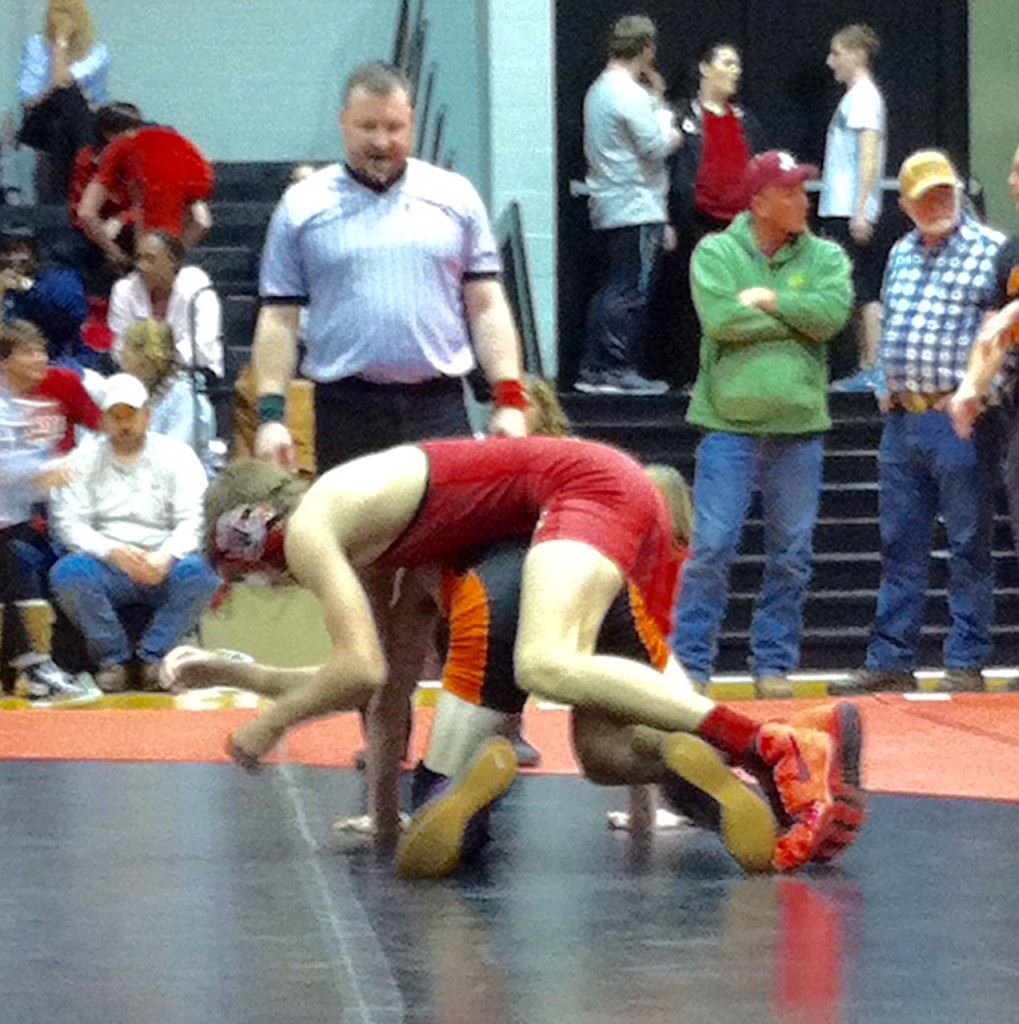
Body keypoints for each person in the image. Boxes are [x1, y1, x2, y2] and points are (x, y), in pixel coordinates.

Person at [181, 435, 862, 873]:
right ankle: (776, 790)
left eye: (245, 574)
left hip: (578, 503)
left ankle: (773, 744)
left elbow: (364, 674)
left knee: (539, 664)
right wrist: (380, 820)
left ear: (249, 531)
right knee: (604, 748)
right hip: (585, 520)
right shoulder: (375, 537)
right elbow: (376, 684)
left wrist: (269, 726)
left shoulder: (314, 527)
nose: (267, 585)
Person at [251, 60, 527, 833]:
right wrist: (272, 413)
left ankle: (477, 765)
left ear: (410, 124)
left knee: (461, 597)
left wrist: (506, 398)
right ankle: (380, 810)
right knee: (369, 618)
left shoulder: (453, 196)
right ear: (344, 124)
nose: (382, 141)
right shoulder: (303, 208)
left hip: (439, 408)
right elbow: (279, 320)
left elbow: (485, 302)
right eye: (368, 128)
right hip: (350, 413)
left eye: (395, 128)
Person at [671, 151, 853, 699]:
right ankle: (691, 666)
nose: (803, 200)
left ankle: (772, 665)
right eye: (791, 191)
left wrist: (772, 298)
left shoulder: (825, 256)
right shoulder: (716, 251)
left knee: (792, 556)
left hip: (799, 430)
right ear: (758, 202)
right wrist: (794, 319)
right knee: (711, 549)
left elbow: (831, 317)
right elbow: (721, 320)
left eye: (803, 190)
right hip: (728, 427)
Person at [837, 150, 1004, 695]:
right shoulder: (900, 252)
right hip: (902, 420)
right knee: (899, 544)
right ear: (906, 205)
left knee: (967, 544)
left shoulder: (991, 251)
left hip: (959, 420)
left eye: (946, 191)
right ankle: (891, 656)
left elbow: (1002, 339)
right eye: (926, 195)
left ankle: (965, 659)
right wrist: (884, 380)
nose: (939, 202)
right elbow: (892, 317)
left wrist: (979, 395)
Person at [48, 373, 220, 691]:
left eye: (132, 414)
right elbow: (69, 523)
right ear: (103, 419)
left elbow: (195, 518)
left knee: (205, 572)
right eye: (116, 416)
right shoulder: (82, 460)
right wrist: (110, 552)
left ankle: (152, 657)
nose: (124, 424)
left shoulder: (178, 456)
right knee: (67, 574)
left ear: (147, 415)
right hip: (107, 564)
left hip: (164, 559)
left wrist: (166, 556)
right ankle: (113, 659)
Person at [573, 15, 677, 395]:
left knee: (611, 288)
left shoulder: (597, 90)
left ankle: (596, 367)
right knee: (629, 290)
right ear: (647, 49)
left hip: (608, 204)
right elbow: (653, 147)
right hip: (635, 205)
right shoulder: (628, 93)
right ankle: (613, 368)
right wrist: (672, 133)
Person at [0, 320, 97, 703]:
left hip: (11, 522)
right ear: (4, 361)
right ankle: (36, 669)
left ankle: (34, 669)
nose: (40, 358)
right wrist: (46, 470)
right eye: (28, 351)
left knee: (16, 586)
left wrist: (56, 468)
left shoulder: (18, 408)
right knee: (17, 580)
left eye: (41, 350)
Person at [660, 41, 767, 387]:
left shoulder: (747, 121)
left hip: (742, 229)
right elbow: (663, 170)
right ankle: (695, 375)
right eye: (727, 63)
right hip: (697, 225)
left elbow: (762, 170)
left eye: (738, 64)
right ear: (705, 68)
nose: (735, 71)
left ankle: (740, 372)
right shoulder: (681, 117)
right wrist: (666, 218)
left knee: (742, 300)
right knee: (697, 302)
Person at [950, 142, 1019, 558]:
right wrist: (970, 388)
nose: (1012, 182)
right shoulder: (1010, 252)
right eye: (1012, 172)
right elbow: (992, 331)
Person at [818, 24, 888, 393]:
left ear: (857, 53)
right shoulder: (855, 98)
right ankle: (865, 363)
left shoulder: (863, 97)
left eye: (837, 53)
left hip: (851, 208)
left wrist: (861, 209)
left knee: (865, 289)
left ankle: (875, 366)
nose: (832, 62)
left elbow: (868, 154)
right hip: (843, 207)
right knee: (855, 289)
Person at [76, 119, 214, 271]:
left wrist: (115, 252)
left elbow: (85, 213)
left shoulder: (124, 161)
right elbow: (202, 221)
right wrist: (174, 255)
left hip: (131, 247)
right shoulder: (183, 166)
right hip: (163, 252)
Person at [17, 0, 110, 201]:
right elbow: (30, 99)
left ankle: (62, 197)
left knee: (64, 116)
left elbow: (92, 102)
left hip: (78, 123)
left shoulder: (98, 52)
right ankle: (81, 165)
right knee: (64, 96)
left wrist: (61, 49)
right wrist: (60, 44)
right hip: (40, 120)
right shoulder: (35, 45)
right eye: (54, 12)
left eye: (64, 13)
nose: (57, 18)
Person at [107, 229, 223, 378]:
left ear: (172, 262)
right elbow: (119, 348)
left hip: (195, 374)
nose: (141, 266)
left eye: (150, 259)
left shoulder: (198, 289)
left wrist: (156, 360)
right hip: (140, 376)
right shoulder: (124, 290)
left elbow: (201, 348)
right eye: (138, 258)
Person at [118, 319, 216, 475]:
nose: (121, 355)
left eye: (126, 348)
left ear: (144, 357)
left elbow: (175, 457)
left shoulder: (184, 398)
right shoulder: (132, 394)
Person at [1, 230, 89, 371]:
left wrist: (29, 288)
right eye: (8, 250)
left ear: (36, 252)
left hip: (56, 358)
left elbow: (72, 316)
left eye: (22, 249)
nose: (14, 257)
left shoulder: (61, 279)